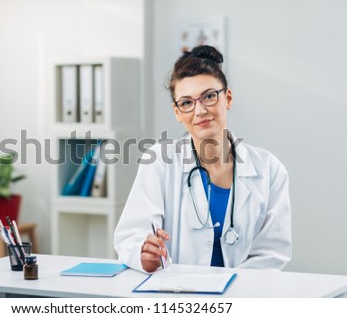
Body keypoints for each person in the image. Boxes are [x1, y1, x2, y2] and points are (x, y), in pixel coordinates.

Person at [114, 45, 291, 273]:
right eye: (186, 103)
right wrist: (144, 253)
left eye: (208, 97)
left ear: (227, 98)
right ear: (177, 112)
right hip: (176, 296)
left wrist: (230, 291)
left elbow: (272, 253)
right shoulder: (160, 161)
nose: (199, 111)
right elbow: (130, 236)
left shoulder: (269, 169)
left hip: (244, 297)